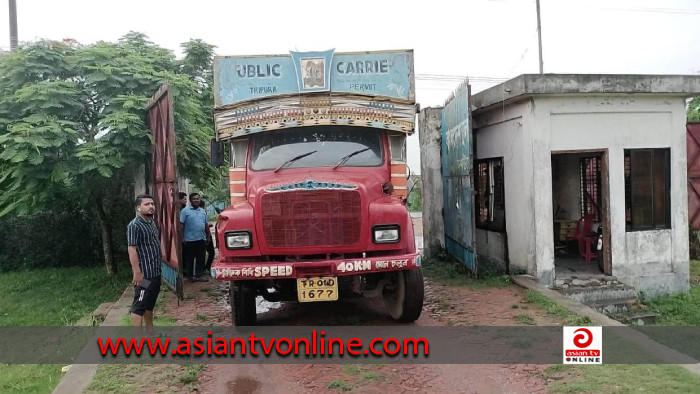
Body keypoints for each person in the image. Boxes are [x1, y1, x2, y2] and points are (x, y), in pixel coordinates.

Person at [127, 194, 176, 328]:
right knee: (139, 306)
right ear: (138, 207)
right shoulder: (134, 225)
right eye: (147, 204)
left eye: (152, 204)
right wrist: (137, 272)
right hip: (145, 274)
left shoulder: (151, 222)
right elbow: (132, 249)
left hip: (155, 271)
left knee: (149, 304)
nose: (151, 207)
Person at [180, 193, 208, 282]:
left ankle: (199, 275)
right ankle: (190, 276)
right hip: (189, 239)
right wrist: (182, 237)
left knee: (201, 258)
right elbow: (181, 225)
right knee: (190, 259)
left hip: (201, 238)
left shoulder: (203, 211)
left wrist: (208, 235)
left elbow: (206, 224)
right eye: (194, 199)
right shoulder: (185, 211)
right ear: (190, 200)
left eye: (197, 199)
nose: (196, 200)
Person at [200, 200, 216, 272]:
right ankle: (206, 267)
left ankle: (204, 268)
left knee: (203, 253)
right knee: (211, 252)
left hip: (202, 235)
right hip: (205, 235)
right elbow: (205, 225)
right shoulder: (203, 212)